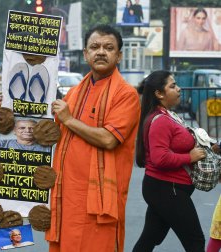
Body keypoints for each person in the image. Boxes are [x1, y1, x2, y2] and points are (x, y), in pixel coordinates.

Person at [46, 24, 141, 252]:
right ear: (86, 54)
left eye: (109, 48)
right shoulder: (75, 91)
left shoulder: (126, 94)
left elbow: (109, 139)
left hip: (98, 201)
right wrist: (15, 111)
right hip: (67, 194)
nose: (101, 52)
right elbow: (51, 131)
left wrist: (68, 119)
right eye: (95, 47)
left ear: (118, 56)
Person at [133, 70, 206, 252]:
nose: (179, 89)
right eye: (172, 86)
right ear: (159, 93)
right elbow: (160, 158)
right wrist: (190, 157)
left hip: (164, 188)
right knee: (195, 241)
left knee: (149, 239)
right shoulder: (161, 121)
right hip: (166, 189)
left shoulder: (167, 115)